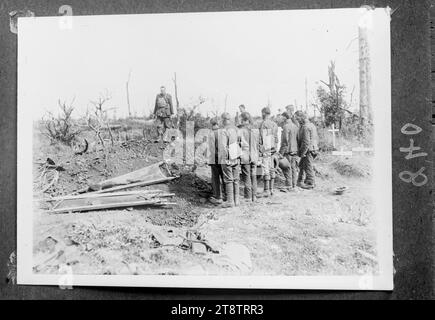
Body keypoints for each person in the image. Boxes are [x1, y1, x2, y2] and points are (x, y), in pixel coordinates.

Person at [220, 112, 241, 208]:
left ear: (223, 120)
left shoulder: (224, 131)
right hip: (236, 156)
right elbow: (240, 142)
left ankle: (230, 201)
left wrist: (226, 158)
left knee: (228, 180)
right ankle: (237, 201)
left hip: (228, 157)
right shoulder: (236, 129)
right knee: (236, 179)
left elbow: (223, 146)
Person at [238, 112, 260, 202]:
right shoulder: (255, 130)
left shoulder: (240, 131)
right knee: (254, 176)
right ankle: (254, 196)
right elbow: (259, 143)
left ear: (243, 120)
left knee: (246, 176)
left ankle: (248, 196)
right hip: (254, 156)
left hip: (246, 156)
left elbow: (238, 144)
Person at [295, 111, 319, 189]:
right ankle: (300, 181)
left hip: (308, 150)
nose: (297, 120)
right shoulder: (311, 125)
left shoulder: (305, 127)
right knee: (301, 165)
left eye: (297, 118)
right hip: (313, 148)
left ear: (302, 117)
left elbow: (306, 142)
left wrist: (302, 153)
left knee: (308, 166)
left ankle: (310, 183)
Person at [259, 107, 279, 197]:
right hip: (273, 149)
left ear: (263, 113)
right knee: (272, 168)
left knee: (265, 169)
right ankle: (271, 189)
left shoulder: (264, 124)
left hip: (266, 148)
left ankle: (266, 190)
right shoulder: (274, 124)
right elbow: (276, 139)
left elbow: (261, 139)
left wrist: (260, 150)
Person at [279, 111, 299, 192]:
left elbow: (285, 141)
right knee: (294, 168)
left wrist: (280, 153)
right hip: (295, 150)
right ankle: (294, 185)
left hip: (288, 150)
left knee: (287, 168)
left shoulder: (286, 127)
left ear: (284, 117)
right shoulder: (295, 126)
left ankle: (289, 185)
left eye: (282, 117)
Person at [208, 118, 225, 205]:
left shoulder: (211, 134)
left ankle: (218, 197)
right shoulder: (223, 132)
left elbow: (211, 148)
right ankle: (226, 195)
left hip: (215, 158)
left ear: (211, 125)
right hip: (223, 158)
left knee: (215, 178)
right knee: (224, 177)